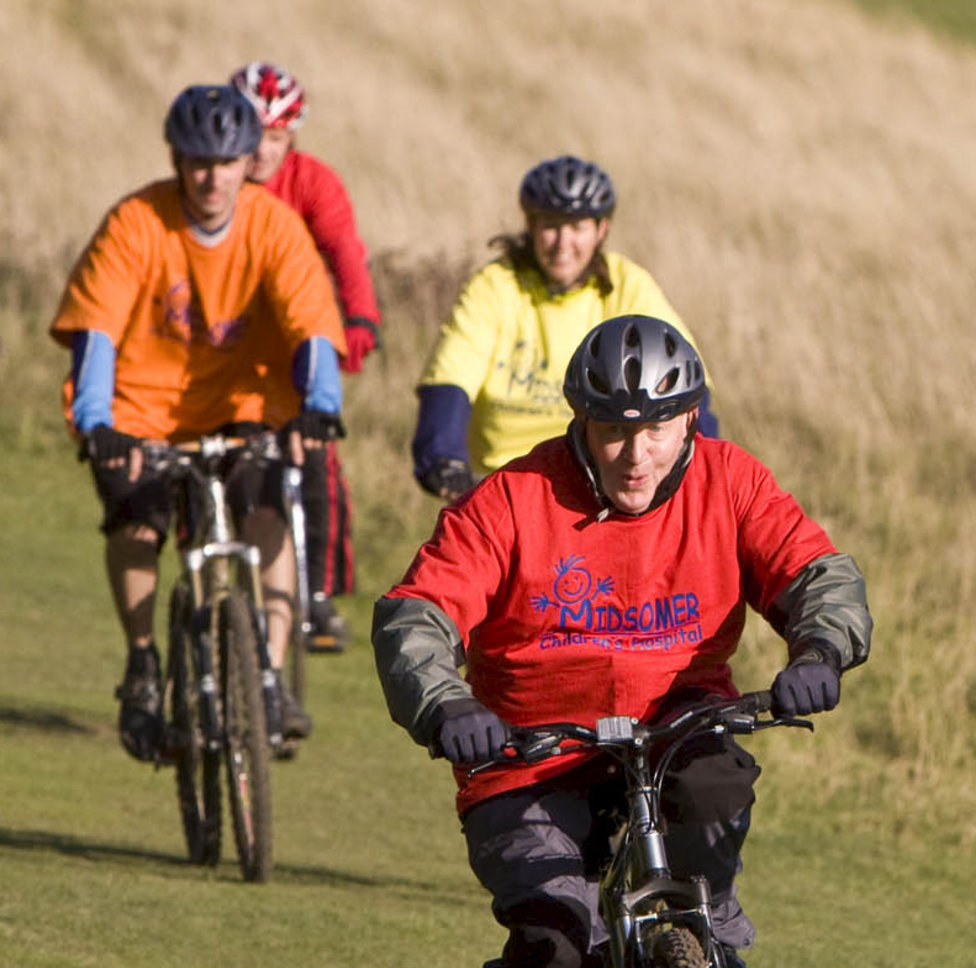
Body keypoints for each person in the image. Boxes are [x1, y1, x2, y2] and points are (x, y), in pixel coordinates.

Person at [371, 315, 870, 968]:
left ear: (692, 417)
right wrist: (444, 703)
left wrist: (819, 648)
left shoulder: (731, 482)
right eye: (613, 428)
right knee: (557, 947)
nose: (636, 451)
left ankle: (705, 940)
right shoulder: (513, 499)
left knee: (718, 776)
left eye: (659, 425)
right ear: (579, 422)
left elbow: (820, 574)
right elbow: (416, 613)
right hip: (529, 756)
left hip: (673, 728)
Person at [51, 83, 347, 758]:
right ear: (177, 160)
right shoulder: (137, 222)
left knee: (266, 511)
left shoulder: (274, 226)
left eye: (227, 161)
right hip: (139, 408)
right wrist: (97, 423)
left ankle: (267, 674)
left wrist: (320, 408)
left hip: (245, 404)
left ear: (250, 161)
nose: (212, 177)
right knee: (137, 521)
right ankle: (143, 662)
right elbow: (96, 332)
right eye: (197, 162)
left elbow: (311, 327)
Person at [409, 155, 716, 503]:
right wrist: (442, 455)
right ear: (531, 226)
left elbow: (683, 376)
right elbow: (454, 367)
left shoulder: (625, 284)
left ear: (601, 229)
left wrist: (702, 467)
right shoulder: (497, 285)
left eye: (577, 227)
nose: (562, 243)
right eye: (550, 226)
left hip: (601, 476)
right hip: (504, 484)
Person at [231, 59, 383, 653]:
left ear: (291, 136)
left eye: (275, 137)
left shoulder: (314, 182)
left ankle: (317, 592)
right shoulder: (216, 180)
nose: (262, 151)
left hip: (301, 340)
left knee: (317, 453)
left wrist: (360, 320)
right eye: (253, 135)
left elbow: (346, 254)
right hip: (230, 341)